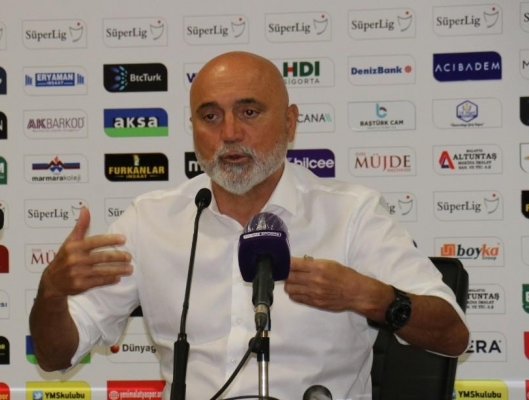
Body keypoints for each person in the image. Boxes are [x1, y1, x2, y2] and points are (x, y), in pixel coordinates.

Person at [29, 51, 469, 400]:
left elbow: (453, 335)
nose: (230, 133)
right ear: (193, 128)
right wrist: (51, 291)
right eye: (211, 116)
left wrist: (370, 297)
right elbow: (55, 356)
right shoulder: (151, 220)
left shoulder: (352, 214)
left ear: (290, 123)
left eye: (249, 112)